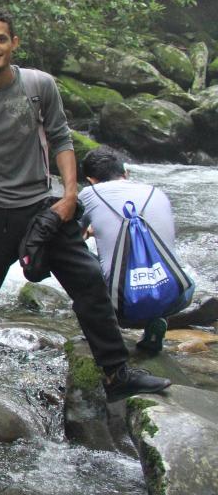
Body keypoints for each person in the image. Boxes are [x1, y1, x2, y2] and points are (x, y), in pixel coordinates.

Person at [0, 7, 171, 405]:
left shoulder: (39, 85)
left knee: (89, 282)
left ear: (14, 43)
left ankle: (116, 373)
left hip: (42, 206)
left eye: (0, 39)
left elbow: (62, 140)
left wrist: (67, 196)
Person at [79, 145, 181, 355]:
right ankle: (156, 321)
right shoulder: (156, 192)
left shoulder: (89, 194)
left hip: (122, 305)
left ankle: (105, 332)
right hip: (176, 295)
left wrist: (91, 232)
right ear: (126, 173)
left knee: (75, 259)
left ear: (91, 179)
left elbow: (72, 239)